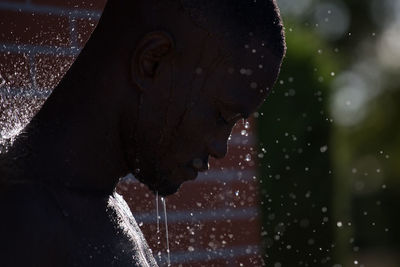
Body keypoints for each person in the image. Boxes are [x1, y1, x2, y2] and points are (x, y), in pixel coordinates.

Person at [0, 0, 285, 266]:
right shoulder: (23, 223)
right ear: (153, 62)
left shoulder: (93, 202)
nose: (220, 148)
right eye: (223, 116)